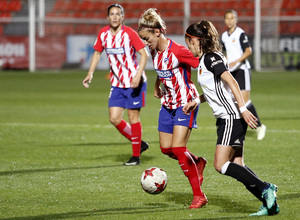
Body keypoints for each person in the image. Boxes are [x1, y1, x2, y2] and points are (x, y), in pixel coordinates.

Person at [183, 20, 279, 216]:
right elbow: (216, 89)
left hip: (230, 117)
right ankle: (270, 203)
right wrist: (197, 100)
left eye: (188, 42)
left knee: (220, 165)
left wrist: (243, 108)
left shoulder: (210, 58)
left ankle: (266, 188)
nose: (187, 46)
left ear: (195, 40)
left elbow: (231, 81)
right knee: (237, 164)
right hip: (228, 118)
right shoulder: (207, 60)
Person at [137, 8, 207, 209]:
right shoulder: (154, 50)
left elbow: (202, 65)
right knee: (166, 148)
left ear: (157, 32)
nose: (144, 42)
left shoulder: (178, 51)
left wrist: (202, 96)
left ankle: (199, 196)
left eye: (146, 38)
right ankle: (197, 162)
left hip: (185, 104)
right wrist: (157, 84)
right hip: (167, 104)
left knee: (178, 148)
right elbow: (163, 69)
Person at [82, 4, 149, 166]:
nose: (114, 16)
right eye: (112, 14)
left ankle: (135, 157)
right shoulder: (103, 34)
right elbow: (97, 52)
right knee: (114, 118)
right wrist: (90, 72)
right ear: (108, 17)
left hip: (135, 83)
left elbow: (144, 54)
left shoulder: (129, 34)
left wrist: (138, 75)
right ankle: (139, 143)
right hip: (117, 83)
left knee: (133, 118)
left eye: (118, 14)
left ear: (122, 17)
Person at [221, 9, 266, 140]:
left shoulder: (240, 34)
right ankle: (240, 127)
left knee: (245, 101)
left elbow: (248, 51)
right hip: (231, 71)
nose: (229, 21)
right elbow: (224, 52)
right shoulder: (224, 36)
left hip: (242, 70)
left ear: (236, 20)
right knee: (233, 100)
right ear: (225, 20)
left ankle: (260, 126)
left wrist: (236, 61)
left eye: (232, 18)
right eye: (227, 18)